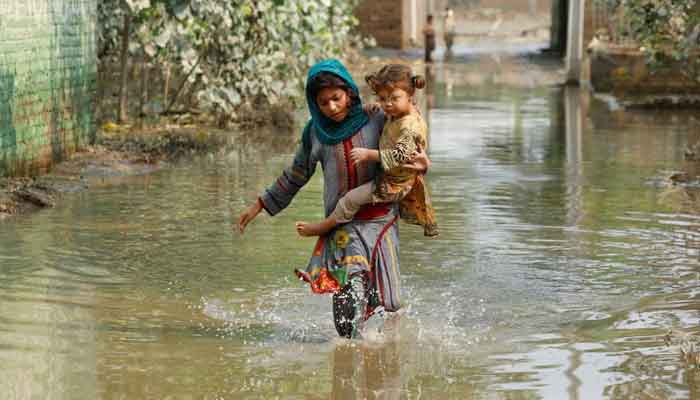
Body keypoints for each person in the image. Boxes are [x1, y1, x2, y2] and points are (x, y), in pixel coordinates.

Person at [237, 59, 430, 339]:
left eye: (336, 99)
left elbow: (409, 142)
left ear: (349, 93)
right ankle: (348, 357)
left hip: (381, 220)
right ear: (315, 104)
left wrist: (423, 163)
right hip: (341, 226)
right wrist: (260, 204)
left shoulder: (377, 117)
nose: (332, 107)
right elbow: (296, 174)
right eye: (323, 102)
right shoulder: (315, 133)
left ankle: (387, 362)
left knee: (391, 302)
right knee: (347, 309)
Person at [296, 64, 438, 238]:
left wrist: (369, 154)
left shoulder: (410, 126)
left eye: (394, 98)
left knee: (350, 200)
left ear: (410, 95)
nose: (387, 104)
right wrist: (373, 106)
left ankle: (324, 227)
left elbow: (400, 156)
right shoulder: (394, 114)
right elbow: (295, 174)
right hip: (392, 177)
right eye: (382, 98)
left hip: (394, 183)